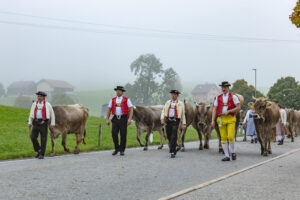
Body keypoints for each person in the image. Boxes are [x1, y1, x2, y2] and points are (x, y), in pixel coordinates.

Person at [211, 81, 240, 161]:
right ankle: (227, 155)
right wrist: (213, 120)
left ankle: (233, 152)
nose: (223, 88)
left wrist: (229, 111)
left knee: (230, 136)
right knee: (223, 138)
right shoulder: (218, 97)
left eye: (225, 87)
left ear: (228, 88)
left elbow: (238, 107)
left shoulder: (233, 97)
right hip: (221, 119)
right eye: (222, 87)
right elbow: (214, 109)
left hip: (230, 118)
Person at [106, 86, 134, 156]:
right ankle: (116, 148)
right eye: (117, 90)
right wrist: (107, 119)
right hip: (115, 118)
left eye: (119, 90)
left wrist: (130, 119)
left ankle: (122, 150)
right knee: (114, 133)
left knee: (123, 135)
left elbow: (131, 109)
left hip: (123, 118)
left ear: (122, 92)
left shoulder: (126, 100)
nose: (118, 92)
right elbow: (109, 110)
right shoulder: (112, 100)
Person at [28, 91, 55, 159]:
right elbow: (31, 113)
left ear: (43, 97)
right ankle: (38, 150)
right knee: (33, 137)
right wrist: (30, 122)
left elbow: (52, 114)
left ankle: (42, 154)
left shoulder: (48, 104)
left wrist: (52, 123)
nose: (38, 97)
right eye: (38, 96)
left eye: (40, 96)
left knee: (43, 139)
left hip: (44, 123)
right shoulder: (34, 104)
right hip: (36, 122)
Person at [161, 90, 186, 158]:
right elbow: (163, 110)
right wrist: (162, 118)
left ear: (177, 95)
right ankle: (175, 147)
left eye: (175, 94)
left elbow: (183, 114)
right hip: (168, 120)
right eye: (172, 94)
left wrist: (184, 123)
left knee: (174, 135)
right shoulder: (167, 102)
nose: (173, 95)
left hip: (176, 121)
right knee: (168, 135)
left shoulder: (181, 104)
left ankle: (172, 151)